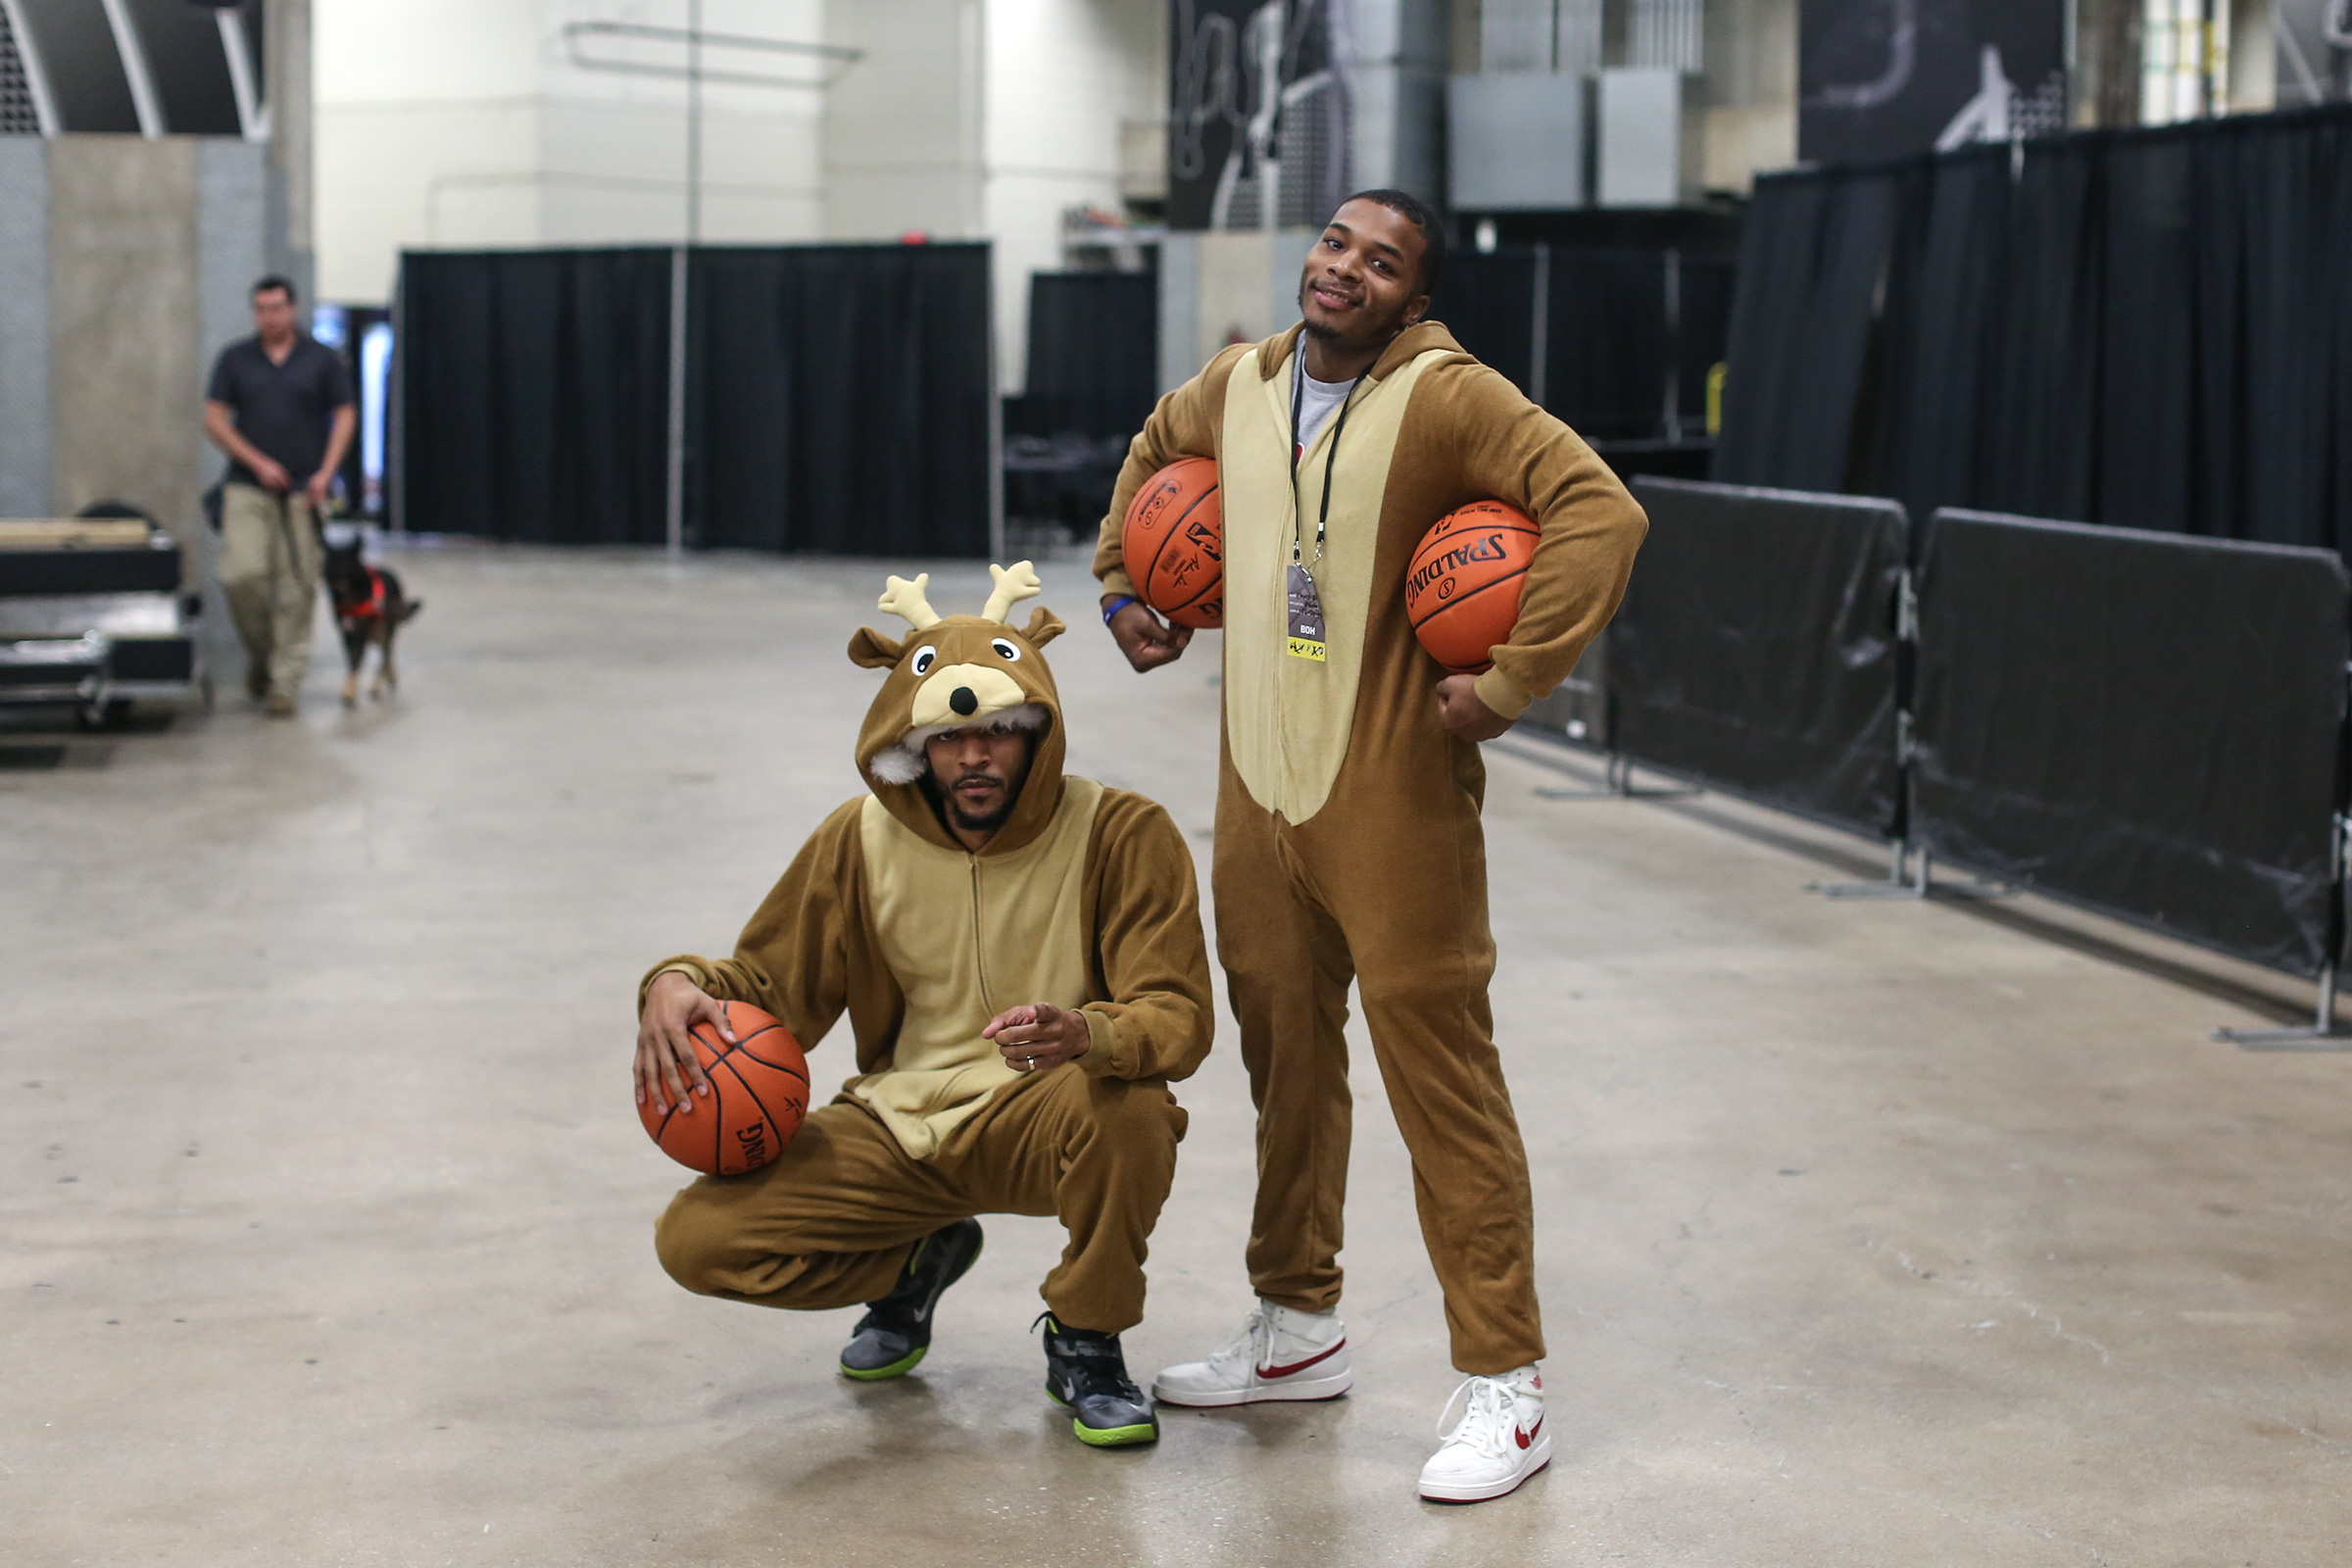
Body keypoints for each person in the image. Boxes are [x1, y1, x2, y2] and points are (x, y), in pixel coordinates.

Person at [1092, 191, 1647, 1502]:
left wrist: (1512, 681)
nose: (1346, 268)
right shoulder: (1240, 382)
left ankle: (1506, 1382)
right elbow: (1148, 456)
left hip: (1395, 797)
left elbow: (1600, 510)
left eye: (1381, 262)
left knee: (1441, 1080)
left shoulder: (1449, 399)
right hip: (1256, 793)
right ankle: (1296, 1323)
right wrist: (1125, 586)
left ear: (1415, 298)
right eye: (1337, 243)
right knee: (1285, 1066)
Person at [639, 564, 1212, 1448]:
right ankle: (912, 1260)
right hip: (898, 1123)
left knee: (1133, 1113)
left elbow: (1176, 1013)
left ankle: (1087, 1339)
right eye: (949, 737)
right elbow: (770, 987)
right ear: (913, 744)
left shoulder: (1121, 833)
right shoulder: (856, 840)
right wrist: (674, 982)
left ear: (1038, 732)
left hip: (1042, 1110)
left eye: (999, 731)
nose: (974, 756)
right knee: (698, 1242)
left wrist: (1087, 1032)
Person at [203, 275, 355, 716]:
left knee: (296, 588)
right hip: (247, 487)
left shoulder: (321, 359)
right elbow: (214, 420)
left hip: (306, 490)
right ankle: (264, 656)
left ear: (293, 309)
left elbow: (345, 414)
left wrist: (327, 472)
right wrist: (257, 462)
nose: (269, 317)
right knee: (241, 575)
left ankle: (284, 683)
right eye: (261, 309)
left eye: (276, 308)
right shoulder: (236, 359)